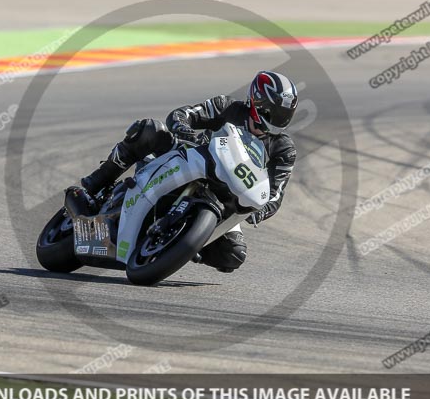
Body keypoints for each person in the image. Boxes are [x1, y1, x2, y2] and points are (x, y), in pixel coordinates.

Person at [81, 70, 298, 273]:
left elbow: (276, 194)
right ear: (257, 102)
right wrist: (184, 130)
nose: (278, 119)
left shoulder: (284, 149)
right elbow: (183, 114)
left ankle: (181, 245)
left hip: (227, 196)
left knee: (233, 255)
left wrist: (259, 210)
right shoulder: (226, 106)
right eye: (275, 112)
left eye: (284, 114)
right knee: (149, 130)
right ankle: (99, 180)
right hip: (193, 157)